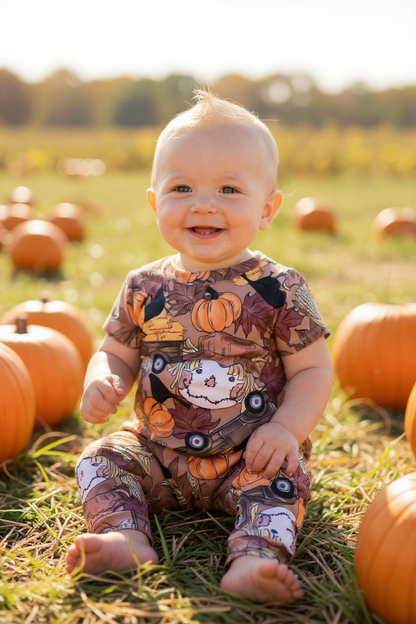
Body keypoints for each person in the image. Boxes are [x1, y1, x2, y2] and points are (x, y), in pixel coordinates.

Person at [65, 89, 333, 604]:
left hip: (248, 456)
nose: (203, 203)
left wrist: (285, 430)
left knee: (283, 481)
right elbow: (116, 350)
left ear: (268, 209)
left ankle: (255, 556)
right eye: (182, 186)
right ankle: (126, 536)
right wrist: (102, 378)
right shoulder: (143, 285)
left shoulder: (278, 287)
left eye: (230, 189)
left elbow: (313, 372)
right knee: (100, 459)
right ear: (154, 202)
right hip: (158, 455)